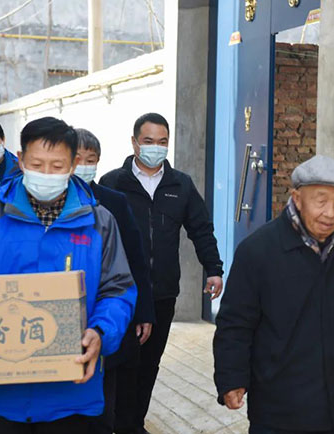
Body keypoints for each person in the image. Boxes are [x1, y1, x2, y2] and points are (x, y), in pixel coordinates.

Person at [0, 116, 137, 433]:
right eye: (37, 164)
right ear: (21, 160)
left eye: (57, 166)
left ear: (72, 165)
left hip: (72, 397)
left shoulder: (98, 222)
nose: (46, 174)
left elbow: (118, 290)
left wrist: (101, 332)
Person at [213, 155, 334, 434]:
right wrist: (231, 378)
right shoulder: (258, 250)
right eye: (321, 201)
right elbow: (236, 323)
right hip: (280, 408)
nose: (331, 212)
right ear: (297, 198)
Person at [99, 113, 223, 434]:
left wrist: (213, 269)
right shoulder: (113, 184)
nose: (156, 147)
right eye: (149, 141)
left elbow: (201, 229)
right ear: (134, 143)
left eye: (162, 142)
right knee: (122, 364)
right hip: (122, 294)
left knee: (149, 364)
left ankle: (134, 423)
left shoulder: (180, 185)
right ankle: (118, 424)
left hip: (162, 293)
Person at [74, 128, 155, 434]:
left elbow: (135, 259)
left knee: (106, 408)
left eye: (90, 160)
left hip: (105, 316)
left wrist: (143, 311)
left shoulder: (113, 202)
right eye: (77, 159)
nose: (84, 166)